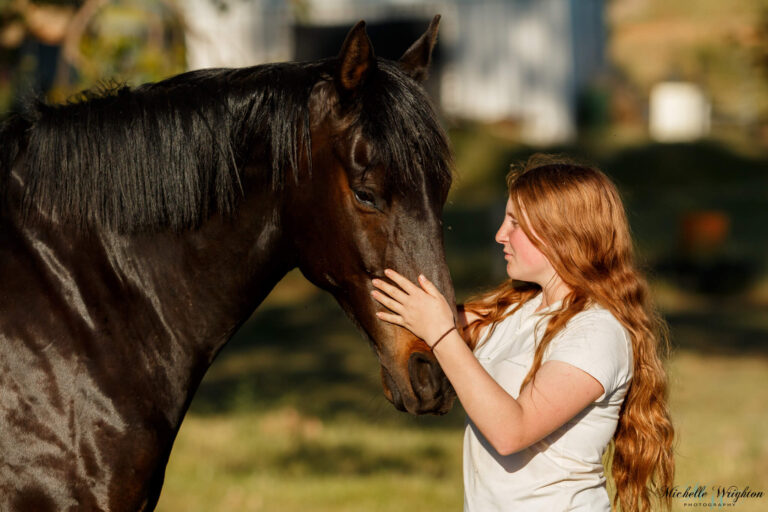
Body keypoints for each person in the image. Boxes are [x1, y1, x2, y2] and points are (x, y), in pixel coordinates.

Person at [371, 154, 675, 511]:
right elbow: (421, 320)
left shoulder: (598, 331)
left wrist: (441, 333)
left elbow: (511, 432)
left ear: (562, 233)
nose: (501, 234)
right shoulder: (516, 309)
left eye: (515, 223)